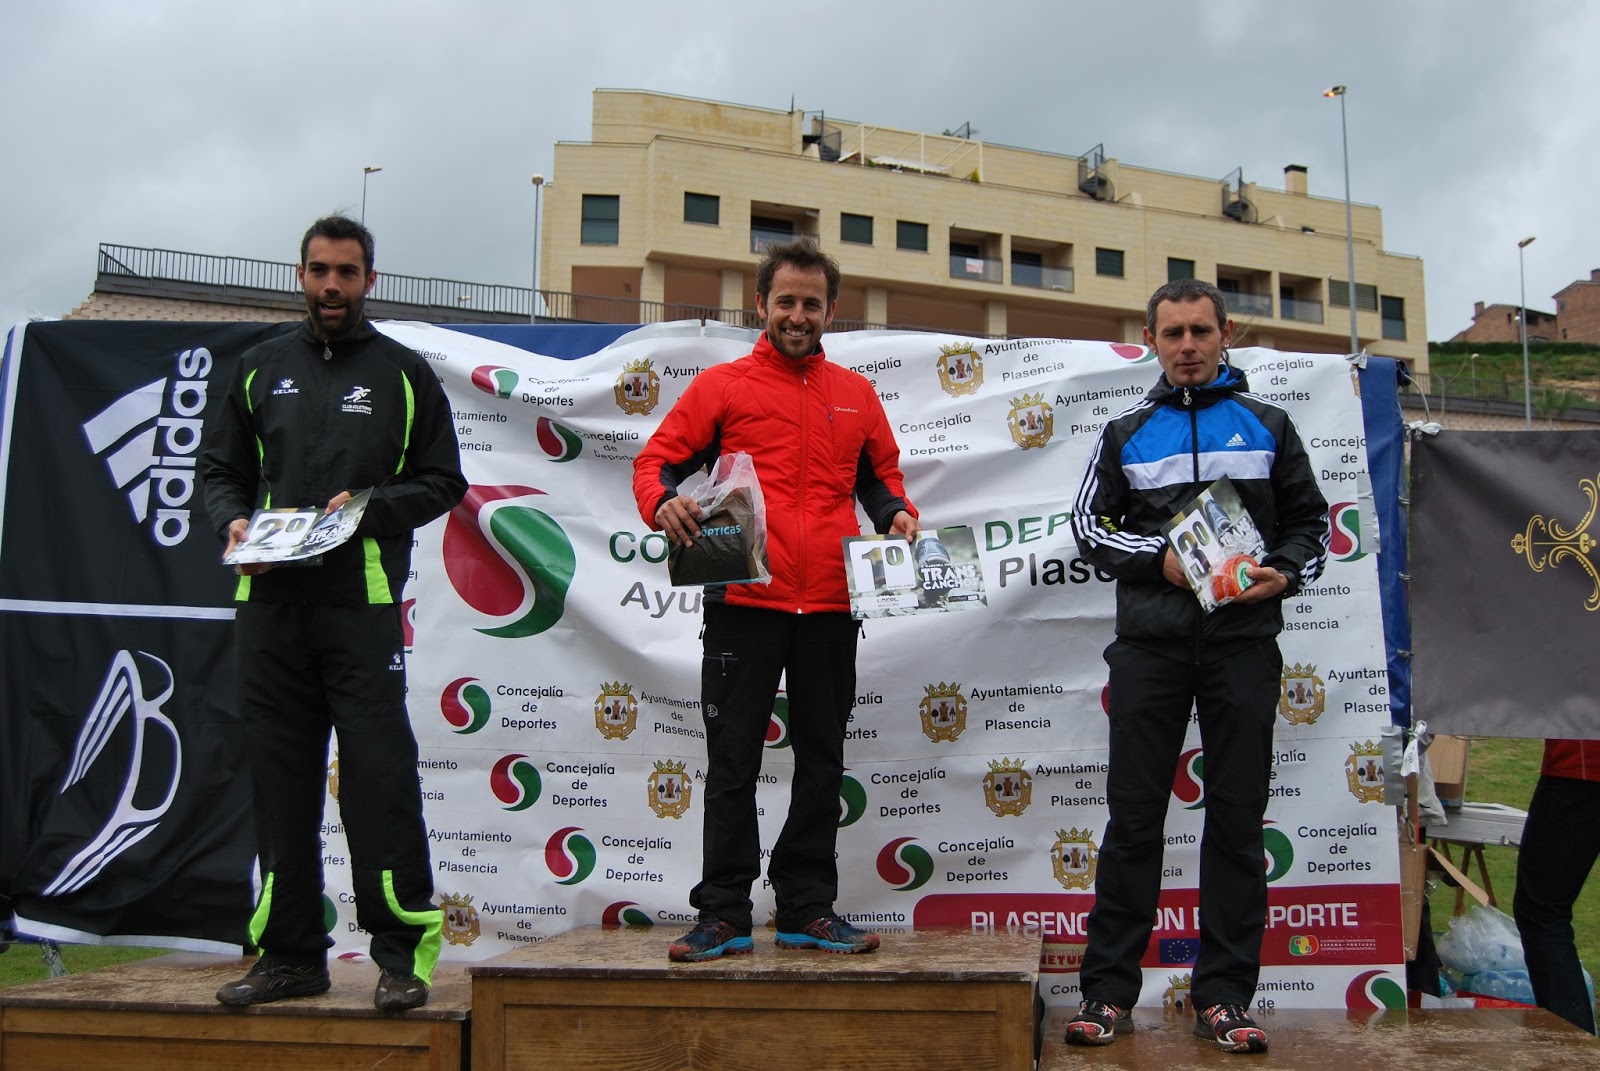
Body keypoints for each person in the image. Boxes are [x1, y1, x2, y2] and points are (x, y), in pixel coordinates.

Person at [200, 215, 467, 1010]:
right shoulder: (257, 370)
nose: (331, 287)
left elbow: (442, 481)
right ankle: (289, 955)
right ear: (301, 274)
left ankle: (402, 954)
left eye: (346, 273)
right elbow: (220, 469)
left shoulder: (404, 374)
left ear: (369, 281)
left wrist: (373, 508)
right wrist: (233, 522)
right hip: (270, 606)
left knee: (378, 781)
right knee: (281, 783)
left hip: (361, 604)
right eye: (318, 271)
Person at [632, 239, 919, 962]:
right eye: (785, 301)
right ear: (760, 305)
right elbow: (656, 462)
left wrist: (897, 516)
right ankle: (723, 912)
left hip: (829, 603)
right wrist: (662, 501)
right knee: (732, 761)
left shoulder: (857, 394)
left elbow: (882, 484)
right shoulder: (723, 387)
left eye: (811, 303)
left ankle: (806, 907)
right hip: (744, 601)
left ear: (831, 310)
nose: (797, 314)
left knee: (821, 758)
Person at [1067, 278, 1329, 1054]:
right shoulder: (1125, 431)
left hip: (1243, 646)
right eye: (1173, 332)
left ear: (1226, 336)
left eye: (1200, 332)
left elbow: (1313, 525)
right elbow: (1088, 526)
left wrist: (1285, 570)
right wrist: (1163, 561)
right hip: (1149, 649)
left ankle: (1224, 998)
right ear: (1150, 338)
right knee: (1134, 822)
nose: (1187, 345)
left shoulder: (1270, 425)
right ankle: (1109, 994)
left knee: (1238, 824)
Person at [1514, 739, 1600, 1034]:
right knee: (1543, 912)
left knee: (1542, 912)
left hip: (1580, 767)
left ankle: (1573, 1050)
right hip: (1578, 766)